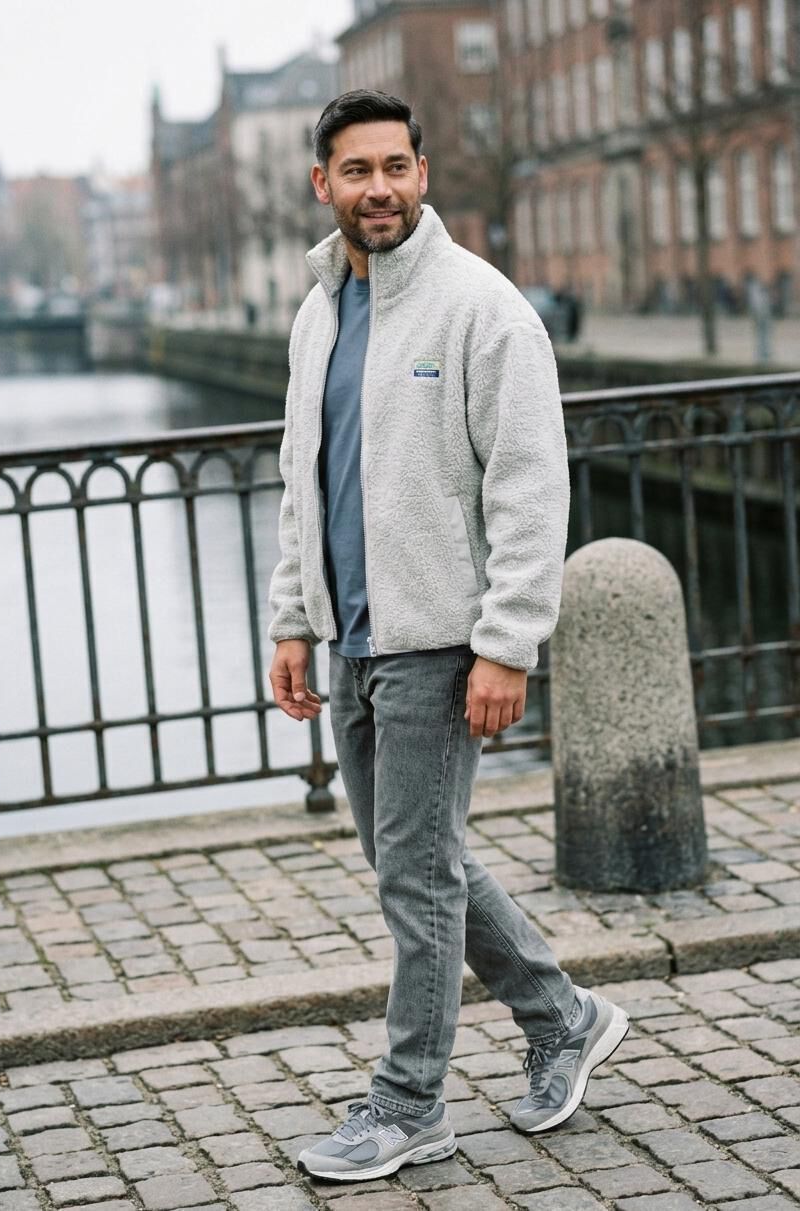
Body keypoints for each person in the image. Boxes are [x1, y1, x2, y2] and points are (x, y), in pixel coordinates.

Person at [267, 89, 629, 1184]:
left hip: (438, 640)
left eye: (396, 166)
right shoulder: (318, 313)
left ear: (422, 174)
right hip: (353, 641)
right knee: (414, 860)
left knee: (416, 880)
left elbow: (529, 487)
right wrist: (293, 617)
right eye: (356, 169)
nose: (378, 187)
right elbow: (301, 485)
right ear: (322, 184)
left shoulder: (483, 308)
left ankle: (409, 1100)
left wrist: (507, 643)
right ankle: (561, 1015)